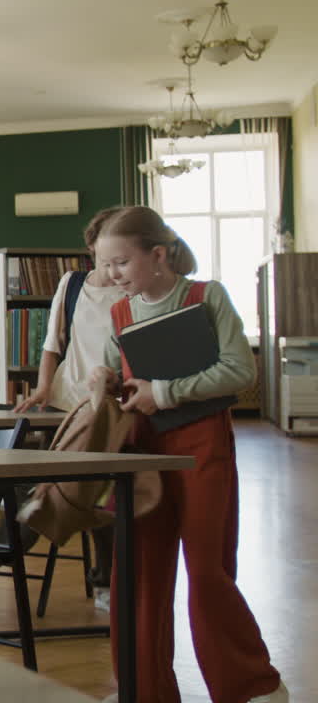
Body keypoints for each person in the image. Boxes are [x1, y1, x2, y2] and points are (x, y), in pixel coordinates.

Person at [88, 206, 285, 703]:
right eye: (104, 265)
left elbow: (241, 373)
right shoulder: (120, 312)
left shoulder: (206, 296)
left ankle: (250, 688)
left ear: (158, 254)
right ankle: (141, 689)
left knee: (207, 569)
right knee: (138, 573)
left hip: (203, 446)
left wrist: (166, 392)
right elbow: (119, 373)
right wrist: (104, 381)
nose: (111, 275)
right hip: (142, 450)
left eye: (120, 263)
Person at [0, 207, 128, 616]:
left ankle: (104, 583)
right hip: (68, 405)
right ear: (93, 246)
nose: (114, 265)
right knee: (54, 495)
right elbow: (52, 343)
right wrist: (44, 386)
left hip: (115, 408)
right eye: (106, 252)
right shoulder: (73, 283)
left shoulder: (133, 289)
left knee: (104, 501)